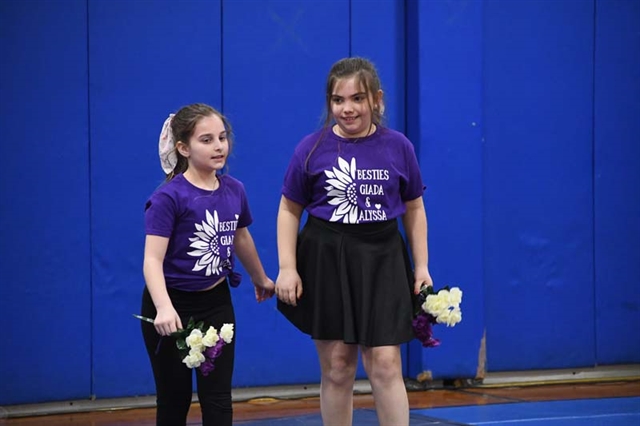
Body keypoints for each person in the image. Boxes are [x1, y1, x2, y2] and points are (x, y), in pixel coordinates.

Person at [275, 57, 433, 426]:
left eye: (357, 98)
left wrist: (422, 265)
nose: (347, 109)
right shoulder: (310, 149)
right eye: (338, 100)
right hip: (326, 256)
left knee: (385, 363)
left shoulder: (399, 147)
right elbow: (288, 209)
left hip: (382, 257)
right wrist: (287, 267)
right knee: (337, 366)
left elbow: (414, 208)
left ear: (376, 100)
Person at [141, 103, 275, 426]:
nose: (218, 146)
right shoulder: (169, 198)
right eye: (206, 140)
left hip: (216, 305)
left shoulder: (234, 190)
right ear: (183, 148)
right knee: (175, 398)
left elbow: (241, 238)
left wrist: (261, 278)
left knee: (217, 398)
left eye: (222, 137)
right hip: (172, 305)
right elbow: (152, 260)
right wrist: (163, 307)